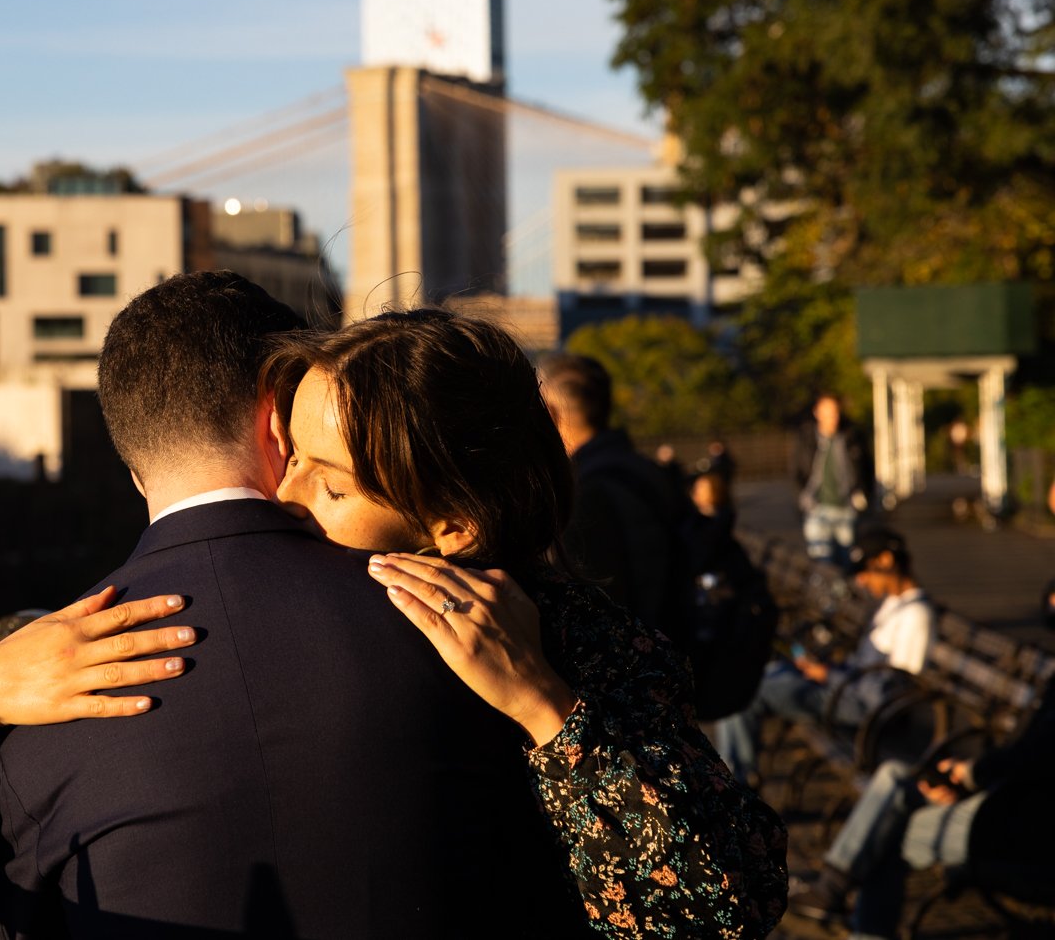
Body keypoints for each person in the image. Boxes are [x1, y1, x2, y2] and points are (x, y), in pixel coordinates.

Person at [265, 309, 786, 935]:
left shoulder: (588, 645)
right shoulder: (298, 619)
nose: (283, 498)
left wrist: (544, 705)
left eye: (333, 488)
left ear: (454, 524)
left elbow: (728, 905)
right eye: (291, 458)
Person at [788, 684, 1055, 939]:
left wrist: (973, 774)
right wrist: (968, 780)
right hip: (999, 802)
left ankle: (834, 893)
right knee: (893, 776)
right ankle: (831, 892)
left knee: (888, 829)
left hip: (1022, 832)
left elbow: (1036, 755)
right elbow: (1025, 753)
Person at [710, 527, 933, 785]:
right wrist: (827, 669)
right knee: (747, 679)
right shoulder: (894, 604)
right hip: (844, 688)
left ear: (886, 561)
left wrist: (830, 674)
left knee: (747, 693)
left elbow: (888, 693)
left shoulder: (917, 616)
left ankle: (735, 780)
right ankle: (733, 774)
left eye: (865, 570)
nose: (861, 580)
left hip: (854, 704)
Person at [536, 352, 683, 636]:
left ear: (551, 413)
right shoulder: (646, 470)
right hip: (675, 644)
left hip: (634, 658)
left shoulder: (583, 493)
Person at [792, 392, 874, 567]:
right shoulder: (807, 437)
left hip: (846, 507)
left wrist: (864, 496)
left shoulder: (851, 436)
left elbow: (866, 469)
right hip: (816, 508)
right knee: (822, 563)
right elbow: (797, 471)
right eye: (827, 413)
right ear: (817, 413)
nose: (832, 418)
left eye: (835, 412)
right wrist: (802, 499)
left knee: (847, 561)